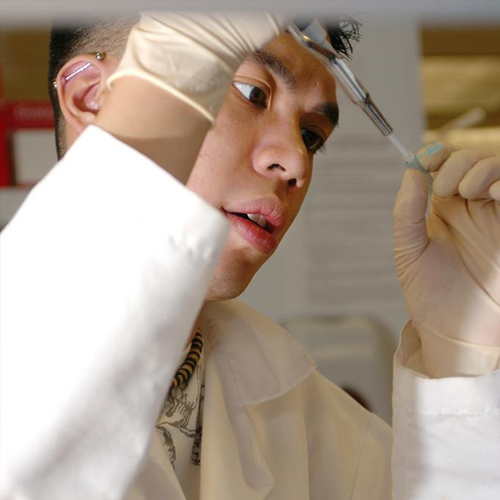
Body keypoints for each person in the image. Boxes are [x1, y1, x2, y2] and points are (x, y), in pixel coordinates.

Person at [1, 13, 499, 500]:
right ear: (91, 98)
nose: (295, 162)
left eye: (311, 136)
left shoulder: (299, 413)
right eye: (252, 94)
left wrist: (460, 358)